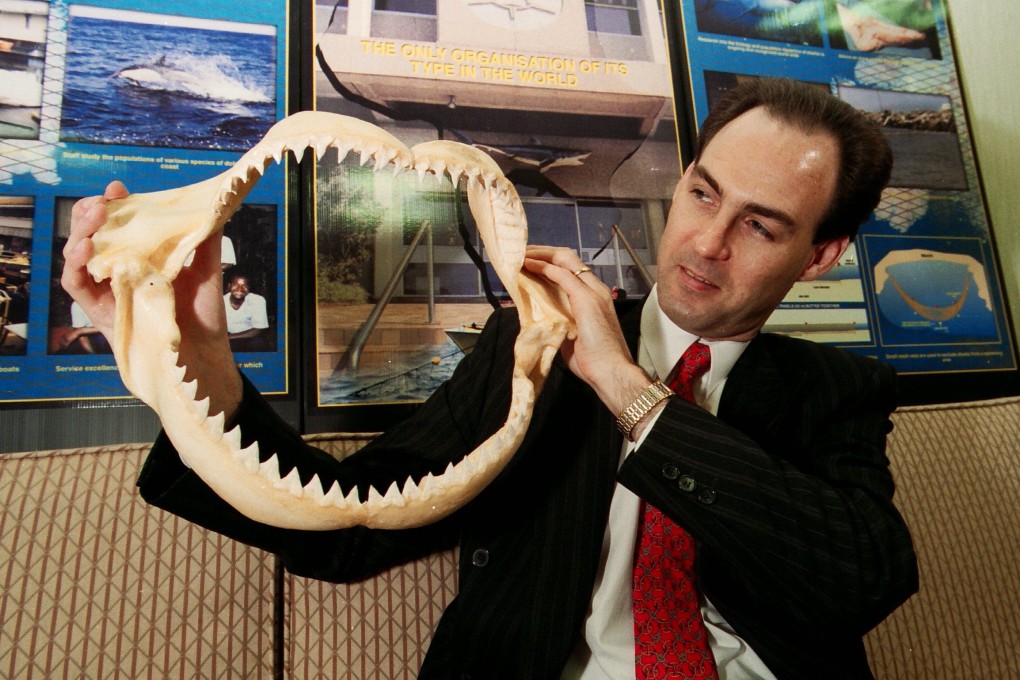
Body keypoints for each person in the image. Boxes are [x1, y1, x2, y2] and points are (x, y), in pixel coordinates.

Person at [61, 78, 917, 679]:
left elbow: (859, 580)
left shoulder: (839, 388)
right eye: (702, 194)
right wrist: (199, 360)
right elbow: (355, 526)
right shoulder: (526, 342)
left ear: (821, 257)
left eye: (759, 226)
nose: (704, 242)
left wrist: (629, 391)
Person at [223, 273, 269, 350]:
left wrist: (230, 337)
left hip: (249, 337)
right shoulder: (220, 301)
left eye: (244, 285)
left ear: (249, 288)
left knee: (259, 343)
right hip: (225, 338)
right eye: (235, 284)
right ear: (229, 286)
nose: (240, 289)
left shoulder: (257, 301)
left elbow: (257, 330)